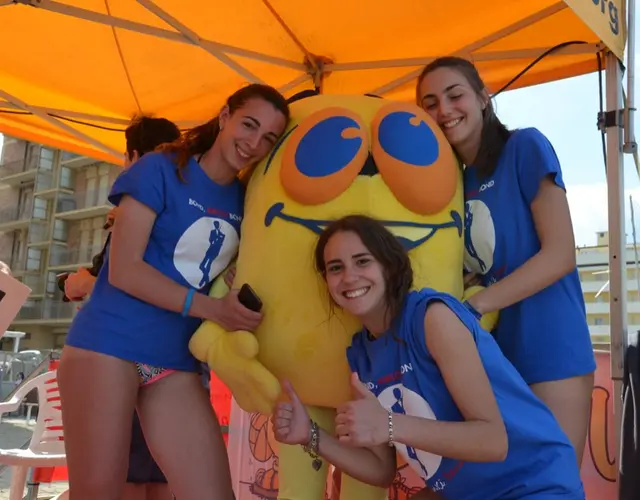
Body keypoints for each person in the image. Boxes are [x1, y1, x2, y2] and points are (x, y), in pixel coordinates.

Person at [57, 84, 290, 500]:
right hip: (108, 346)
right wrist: (212, 309)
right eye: (248, 125)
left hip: (175, 362)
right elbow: (125, 270)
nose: (254, 143)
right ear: (224, 117)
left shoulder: (246, 198)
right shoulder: (159, 169)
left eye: (268, 138)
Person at [272, 215, 586, 500]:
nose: (349, 276)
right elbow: (382, 471)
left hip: (536, 487)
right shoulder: (360, 356)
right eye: (335, 268)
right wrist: (310, 436)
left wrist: (390, 424)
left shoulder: (432, 317)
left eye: (362, 261)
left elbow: (493, 440)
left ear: (390, 267)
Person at [415, 56, 595, 464]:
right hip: (491, 356)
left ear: (483, 97)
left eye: (454, 94)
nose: (443, 110)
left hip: (550, 346)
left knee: (553, 482)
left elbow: (560, 254)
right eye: (429, 102)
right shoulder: (451, 182)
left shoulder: (525, 147)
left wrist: (475, 306)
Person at [63, 115, 180, 500]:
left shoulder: (141, 205)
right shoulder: (183, 206)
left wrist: (84, 283)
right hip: (171, 359)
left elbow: (135, 281)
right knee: (162, 473)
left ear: (131, 156)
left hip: (123, 351)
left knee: (124, 477)